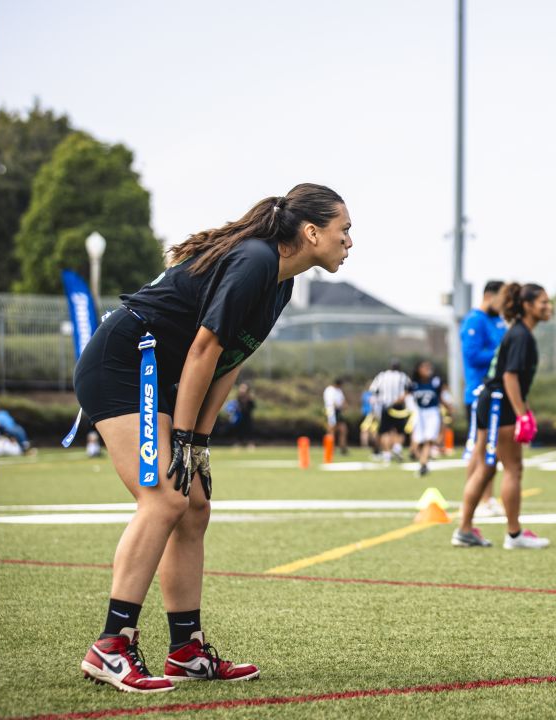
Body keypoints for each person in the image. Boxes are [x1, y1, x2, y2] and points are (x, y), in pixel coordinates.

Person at [72, 183, 352, 692]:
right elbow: (203, 349)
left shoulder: (281, 282)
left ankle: (185, 650)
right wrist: (181, 434)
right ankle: (111, 645)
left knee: (194, 504)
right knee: (162, 498)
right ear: (312, 232)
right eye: (344, 230)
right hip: (123, 363)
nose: (349, 241)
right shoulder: (255, 260)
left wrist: (198, 441)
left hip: (160, 372)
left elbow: (228, 361)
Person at [452, 283, 553, 549]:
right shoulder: (521, 335)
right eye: (543, 302)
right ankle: (514, 534)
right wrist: (522, 415)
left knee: (486, 468)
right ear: (527, 306)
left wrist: (523, 409)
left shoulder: (519, 332)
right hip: (499, 403)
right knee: (513, 468)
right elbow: (509, 376)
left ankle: (465, 530)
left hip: (492, 401)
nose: (548, 307)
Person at [459, 280, 507, 515]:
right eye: (502, 298)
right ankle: (476, 500)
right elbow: (472, 355)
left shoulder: (497, 321)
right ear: (489, 296)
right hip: (479, 393)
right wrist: (503, 352)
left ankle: (487, 499)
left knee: (492, 451)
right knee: (480, 449)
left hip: (497, 392)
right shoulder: (474, 320)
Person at [409, 360, 450, 476]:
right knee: (417, 440)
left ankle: (423, 463)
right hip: (419, 412)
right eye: (424, 367)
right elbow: (407, 396)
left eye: (429, 367)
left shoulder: (435, 382)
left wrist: (449, 407)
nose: (427, 370)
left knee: (429, 439)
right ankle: (421, 460)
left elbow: (440, 398)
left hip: (432, 412)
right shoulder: (414, 383)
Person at [369, 360, 412, 462]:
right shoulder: (403, 376)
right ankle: (397, 448)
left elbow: (373, 390)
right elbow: (410, 390)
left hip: (385, 406)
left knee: (385, 431)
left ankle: (387, 454)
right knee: (400, 430)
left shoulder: (382, 376)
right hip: (398, 406)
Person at [322, 377, 349, 455]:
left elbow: (343, 401)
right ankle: (330, 448)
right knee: (331, 430)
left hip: (338, 412)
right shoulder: (329, 390)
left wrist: (344, 405)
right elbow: (331, 403)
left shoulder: (339, 391)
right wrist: (341, 406)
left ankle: (342, 448)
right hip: (331, 411)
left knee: (343, 429)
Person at [224, 383, 255, 449]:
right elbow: (233, 407)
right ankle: (238, 443)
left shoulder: (249, 399)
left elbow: (251, 407)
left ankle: (250, 443)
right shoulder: (238, 398)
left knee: (248, 430)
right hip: (239, 418)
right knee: (238, 430)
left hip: (247, 417)